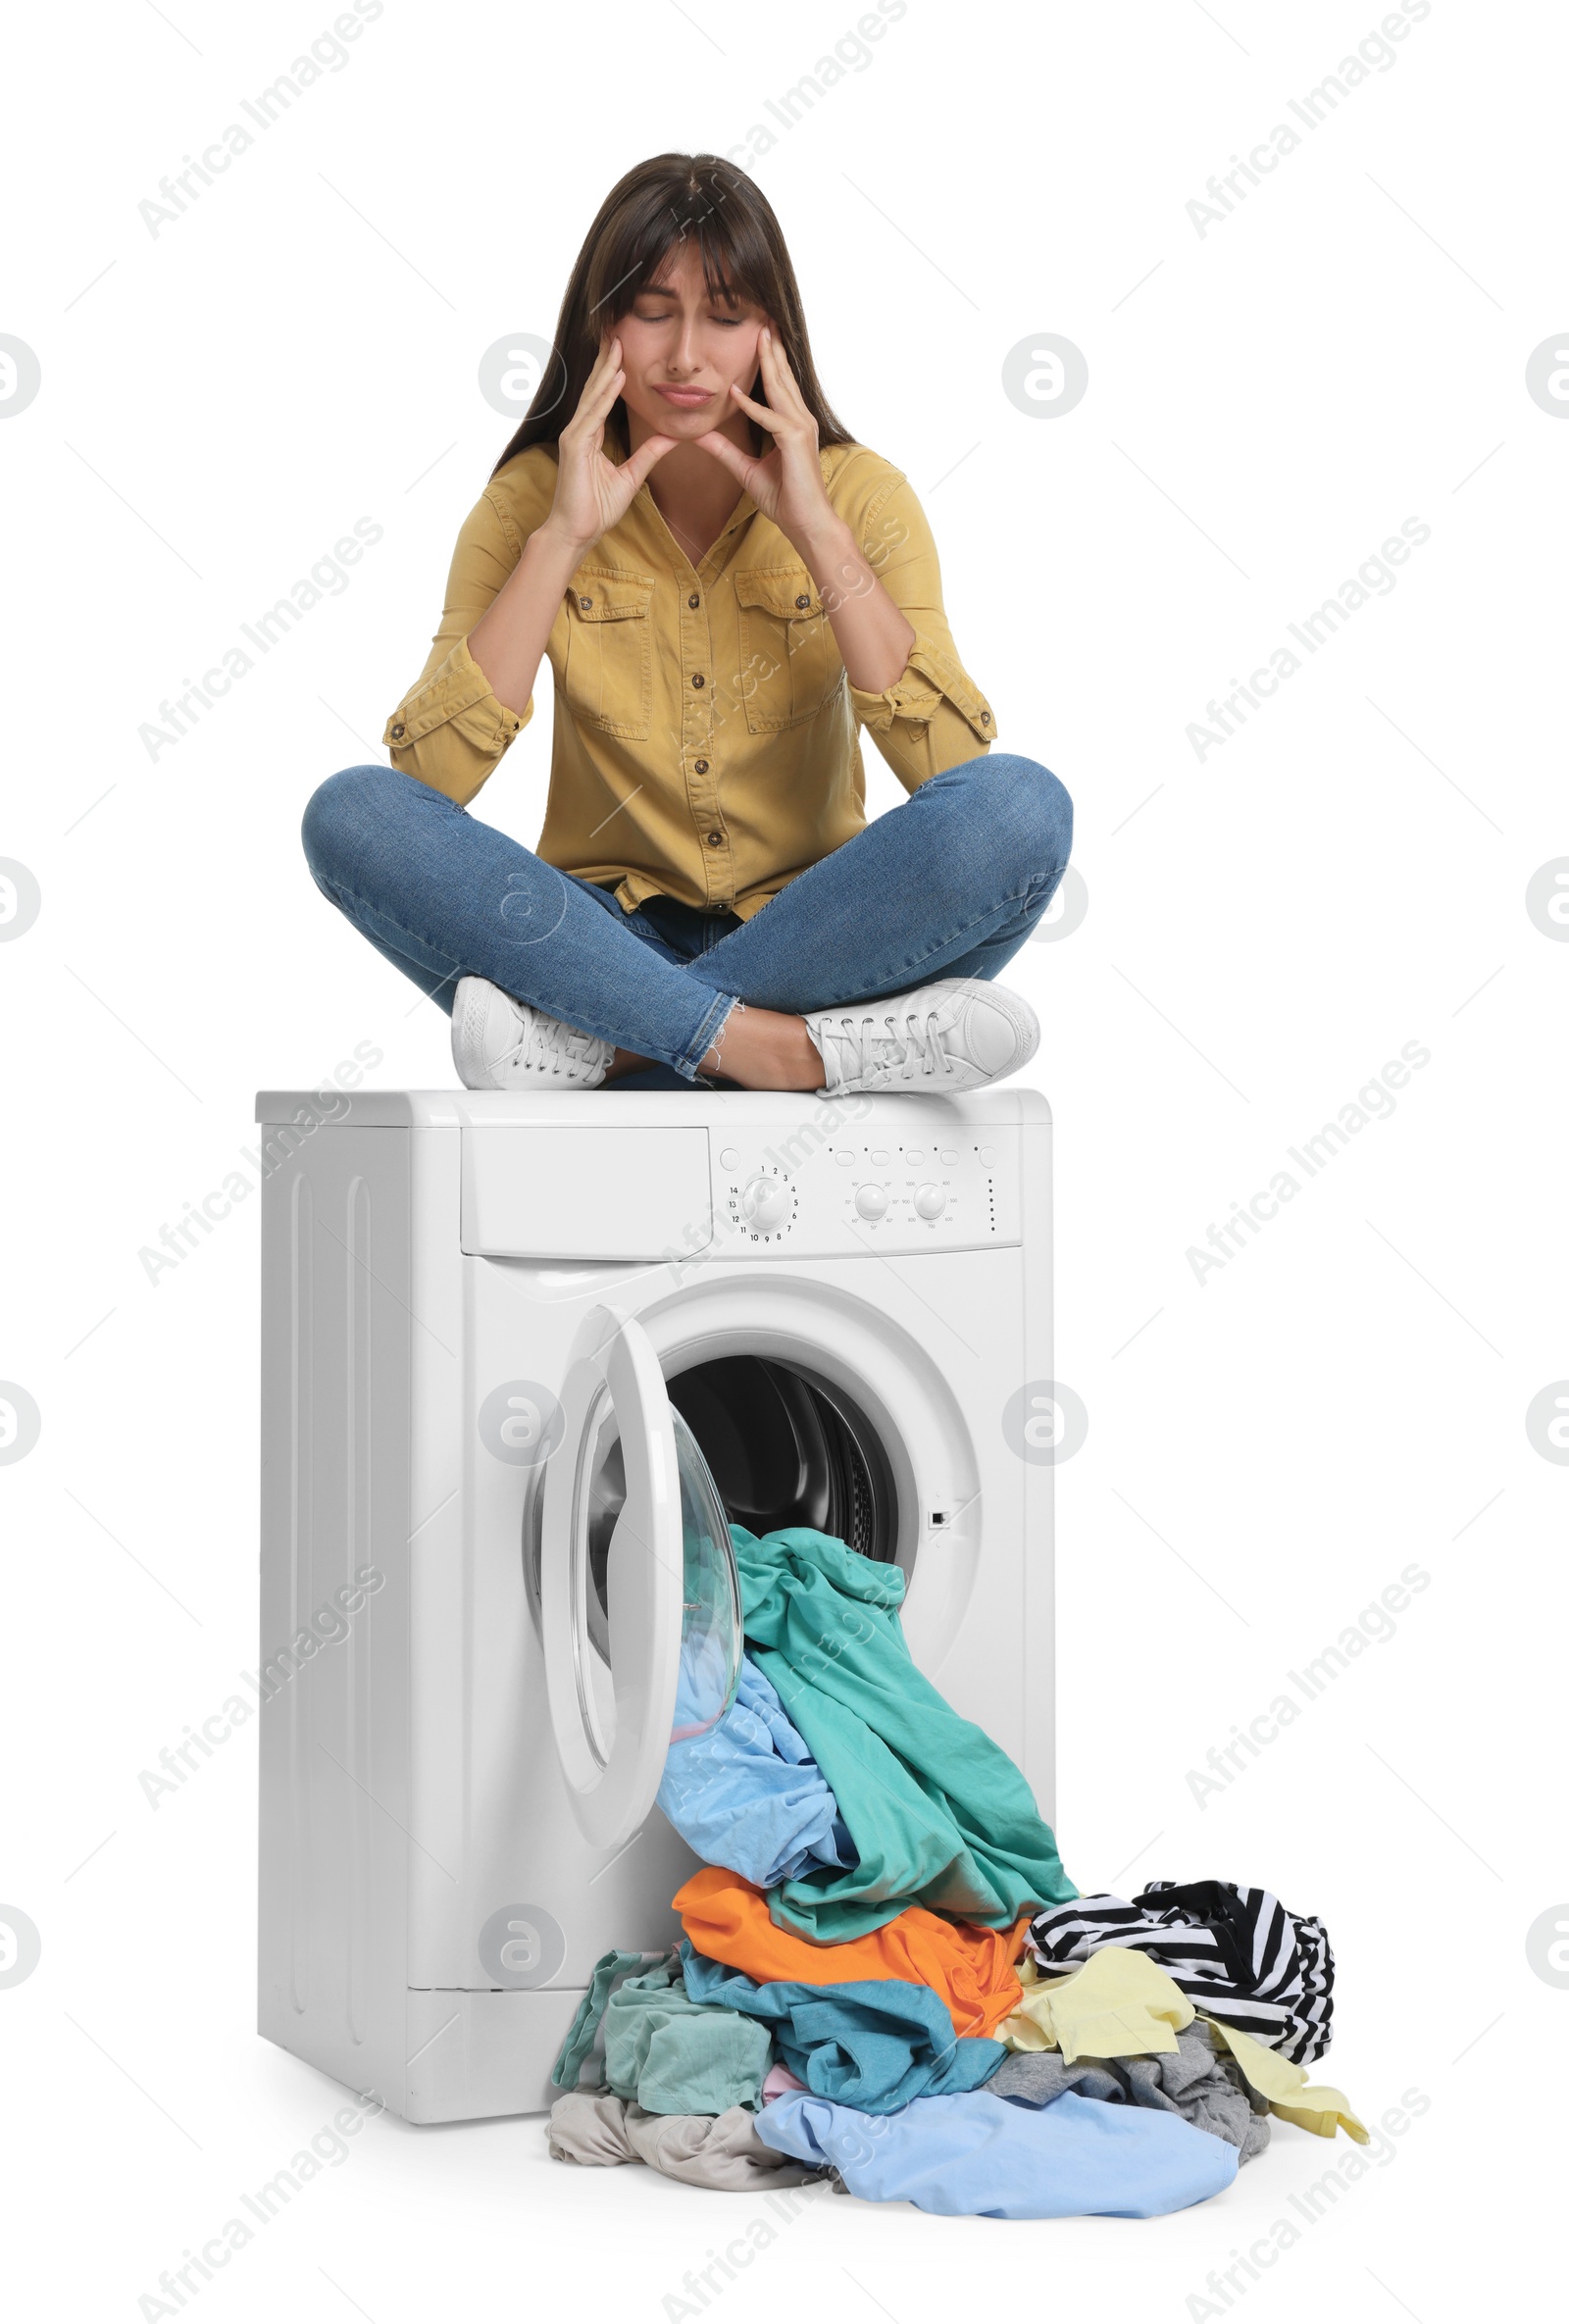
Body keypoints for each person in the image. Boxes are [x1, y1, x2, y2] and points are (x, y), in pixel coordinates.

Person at [301, 152, 1072, 1095]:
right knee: (350, 814)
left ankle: (610, 1049)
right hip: (592, 931)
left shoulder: (863, 498)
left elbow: (953, 774)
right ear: (602, 328)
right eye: (653, 311)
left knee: (1024, 806)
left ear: (772, 335)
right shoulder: (527, 504)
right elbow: (427, 784)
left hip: (821, 930)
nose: (684, 357)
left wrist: (815, 532)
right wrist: (563, 540)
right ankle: (794, 1055)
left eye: (725, 315)